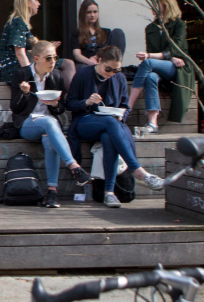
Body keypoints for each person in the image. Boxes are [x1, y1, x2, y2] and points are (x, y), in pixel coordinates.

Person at [66, 45, 165, 208]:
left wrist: (122, 114)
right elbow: (70, 104)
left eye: (116, 70)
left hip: (111, 126)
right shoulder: (83, 74)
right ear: (98, 61)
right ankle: (137, 170)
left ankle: (109, 193)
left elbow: (126, 106)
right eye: (108, 69)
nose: (112, 73)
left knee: (108, 136)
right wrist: (87, 102)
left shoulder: (119, 78)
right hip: (85, 121)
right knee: (111, 123)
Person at [9, 41, 94, 208]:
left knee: (50, 138)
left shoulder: (56, 76)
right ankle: (74, 166)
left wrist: (55, 105)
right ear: (36, 58)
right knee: (49, 122)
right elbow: (15, 108)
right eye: (48, 58)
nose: (53, 62)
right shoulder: (21, 74)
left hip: (50, 127)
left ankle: (52, 192)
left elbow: (61, 108)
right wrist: (24, 94)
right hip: (27, 124)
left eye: (55, 57)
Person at [128, 0, 192, 134]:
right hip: (162, 65)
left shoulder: (179, 24)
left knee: (148, 62)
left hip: (179, 67)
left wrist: (156, 56)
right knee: (150, 76)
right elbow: (155, 54)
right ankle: (152, 123)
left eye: (156, 2)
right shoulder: (150, 28)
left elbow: (176, 47)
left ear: (165, 4)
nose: (152, 6)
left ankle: (128, 106)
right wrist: (164, 57)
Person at [0, 0, 74, 91]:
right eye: (36, 0)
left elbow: (29, 51)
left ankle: (64, 99)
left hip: (23, 66)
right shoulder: (18, 22)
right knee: (67, 64)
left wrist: (47, 50)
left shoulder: (20, 22)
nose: (39, 4)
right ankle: (69, 100)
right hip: (16, 70)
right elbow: (20, 53)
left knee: (61, 66)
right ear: (28, 3)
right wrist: (31, 75)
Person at [71, 0, 127, 70]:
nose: (92, 15)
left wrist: (97, 57)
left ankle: (115, 65)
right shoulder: (77, 33)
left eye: (95, 12)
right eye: (89, 12)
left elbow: (110, 50)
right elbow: (77, 54)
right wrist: (89, 61)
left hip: (103, 61)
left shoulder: (106, 32)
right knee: (83, 69)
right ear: (83, 14)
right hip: (85, 63)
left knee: (118, 32)